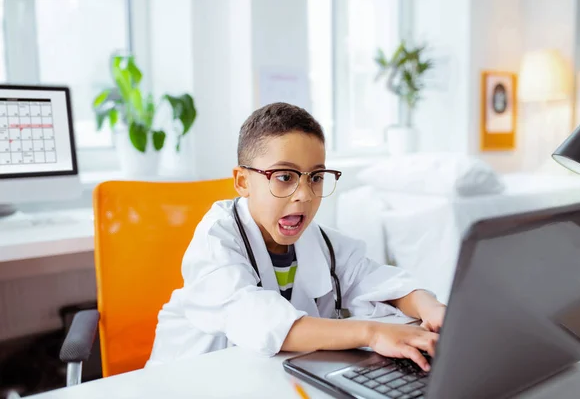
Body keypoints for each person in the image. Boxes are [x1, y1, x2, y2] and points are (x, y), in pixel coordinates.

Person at [147, 102, 446, 371]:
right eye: (284, 177)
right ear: (242, 181)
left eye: (315, 177)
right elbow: (263, 324)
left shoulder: (323, 243)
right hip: (185, 383)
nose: (304, 195)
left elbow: (383, 282)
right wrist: (372, 332)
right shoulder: (216, 242)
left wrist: (429, 308)